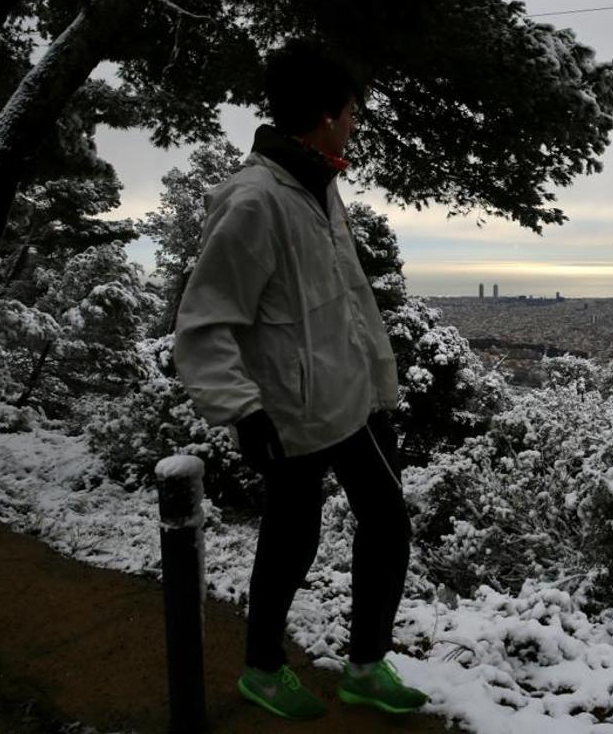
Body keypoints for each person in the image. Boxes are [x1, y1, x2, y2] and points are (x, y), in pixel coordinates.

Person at [173, 39, 428, 721]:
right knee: (294, 537)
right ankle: (263, 667)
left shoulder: (317, 183)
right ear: (323, 115)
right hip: (289, 409)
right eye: (350, 113)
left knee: (385, 523)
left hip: (347, 399)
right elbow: (203, 321)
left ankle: (365, 665)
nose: (355, 124)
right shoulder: (255, 200)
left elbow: (343, 297)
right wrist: (241, 411)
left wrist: (380, 385)